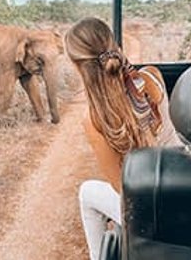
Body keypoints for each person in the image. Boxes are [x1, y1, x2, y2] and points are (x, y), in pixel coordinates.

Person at [64, 17, 179, 260]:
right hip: (185, 182)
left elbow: (121, 189)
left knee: (87, 193)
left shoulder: (96, 118)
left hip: (153, 210)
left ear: (77, 66)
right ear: (114, 44)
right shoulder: (153, 76)